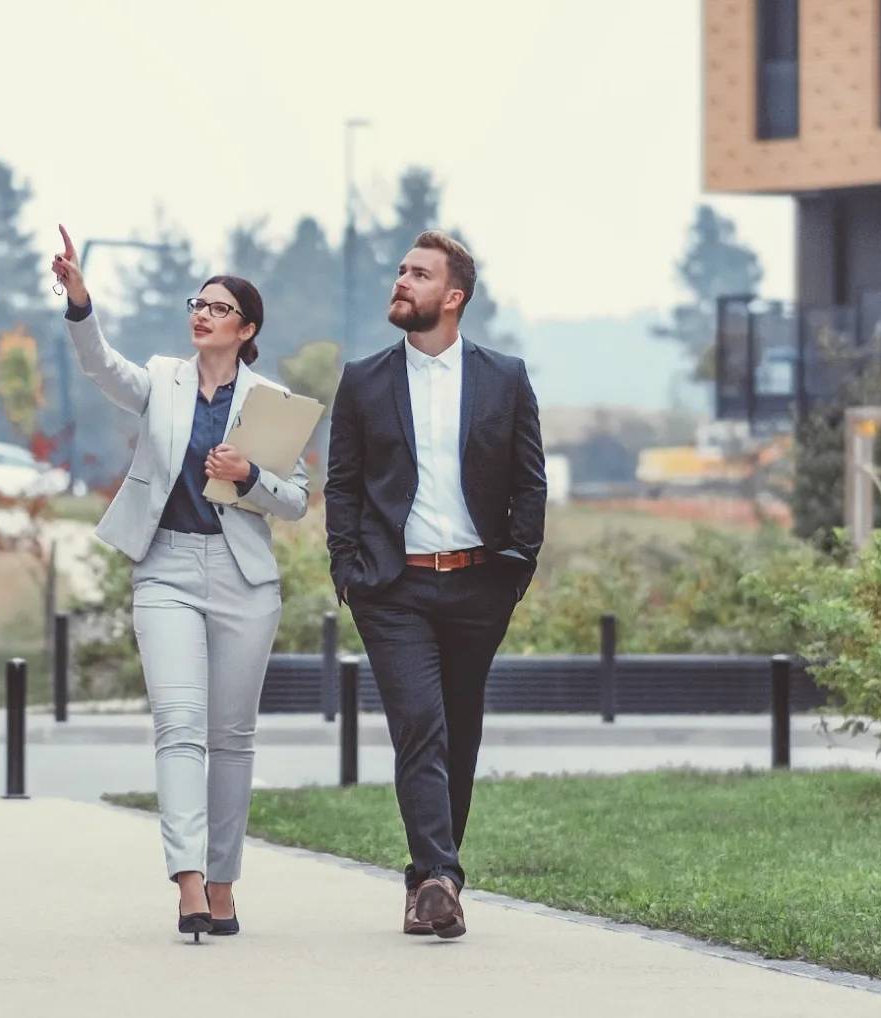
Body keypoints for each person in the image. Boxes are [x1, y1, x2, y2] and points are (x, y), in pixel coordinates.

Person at [49, 225, 311, 942]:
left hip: (242, 579)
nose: (202, 313)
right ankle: (188, 883)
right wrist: (81, 303)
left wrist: (248, 476)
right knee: (178, 726)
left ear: (246, 328)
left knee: (230, 739)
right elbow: (102, 367)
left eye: (219, 308)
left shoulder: (272, 403)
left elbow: (295, 500)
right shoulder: (161, 379)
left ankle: (223, 885)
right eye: (198, 303)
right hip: (164, 566)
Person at [323, 230, 545, 940]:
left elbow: (528, 479)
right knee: (421, 726)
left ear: (452, 297)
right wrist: (349, 570)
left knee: (460, 732)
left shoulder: (504, 377)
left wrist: (517, 565)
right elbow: (344, 485)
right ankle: (445, 878)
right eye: (400, 271)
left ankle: (426, 885)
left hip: (479, 584)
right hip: (394, 588)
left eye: (417, 274)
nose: (401, 281)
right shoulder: (364, 380)